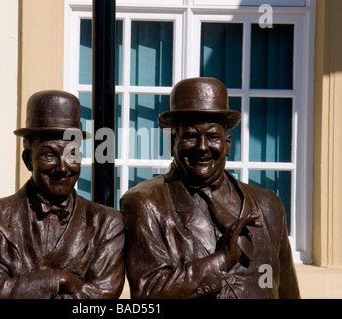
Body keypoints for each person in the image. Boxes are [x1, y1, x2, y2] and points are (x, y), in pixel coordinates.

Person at [120, 77, 300, 299]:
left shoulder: (268, 205)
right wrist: (222, 260)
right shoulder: (145, 203)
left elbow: (287, 291)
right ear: (172, 143)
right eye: (191, 136)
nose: (203, 147)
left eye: (213, 136)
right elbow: (149, 291)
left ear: (227, 145)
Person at [0, 90, 125, 299]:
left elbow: (102, 294)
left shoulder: (107, 224)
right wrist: (56, 280)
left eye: (72, 154)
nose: (63, 167)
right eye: (49, 155)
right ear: (28, 159)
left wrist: (10, 286)